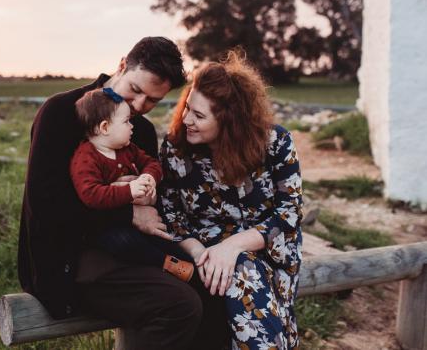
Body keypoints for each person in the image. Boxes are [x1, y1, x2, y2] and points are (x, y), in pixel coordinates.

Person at [17, 36, 229, 350]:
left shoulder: (139, 130)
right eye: (136, 90)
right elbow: (47, 208)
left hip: (128, 249)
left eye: (153, 101)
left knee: (209, 285)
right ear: (121, 66)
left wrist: (146, 198)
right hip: (70, 257)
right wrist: (128, 212)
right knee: (180, 305)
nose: (140, 106)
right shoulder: (61, 113)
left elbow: (153, 192)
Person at [159, 49, 303, 349]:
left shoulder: (275, 143)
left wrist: (234, 246)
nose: (186, 119)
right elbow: (171, 216)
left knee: (242, 271)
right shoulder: (176, 149)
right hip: (204, 247)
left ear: (230, 120)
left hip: (267, 247)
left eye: (199, 115)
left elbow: (289, 214)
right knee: (238, 274)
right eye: (187, 107)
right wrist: (201, 253)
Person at [70, 87, 194, 282]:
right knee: (124, 242)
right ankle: (164, 264)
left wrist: (149, 177)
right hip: (111, 225)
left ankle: (184, 264)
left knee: (161, 236)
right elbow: (91, 194)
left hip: (142, 220)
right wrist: (129, 191)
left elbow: (152, 163)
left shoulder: (128, 149)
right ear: (104, 127)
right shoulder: (86, 157)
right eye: (126, 121)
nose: (132, 126)